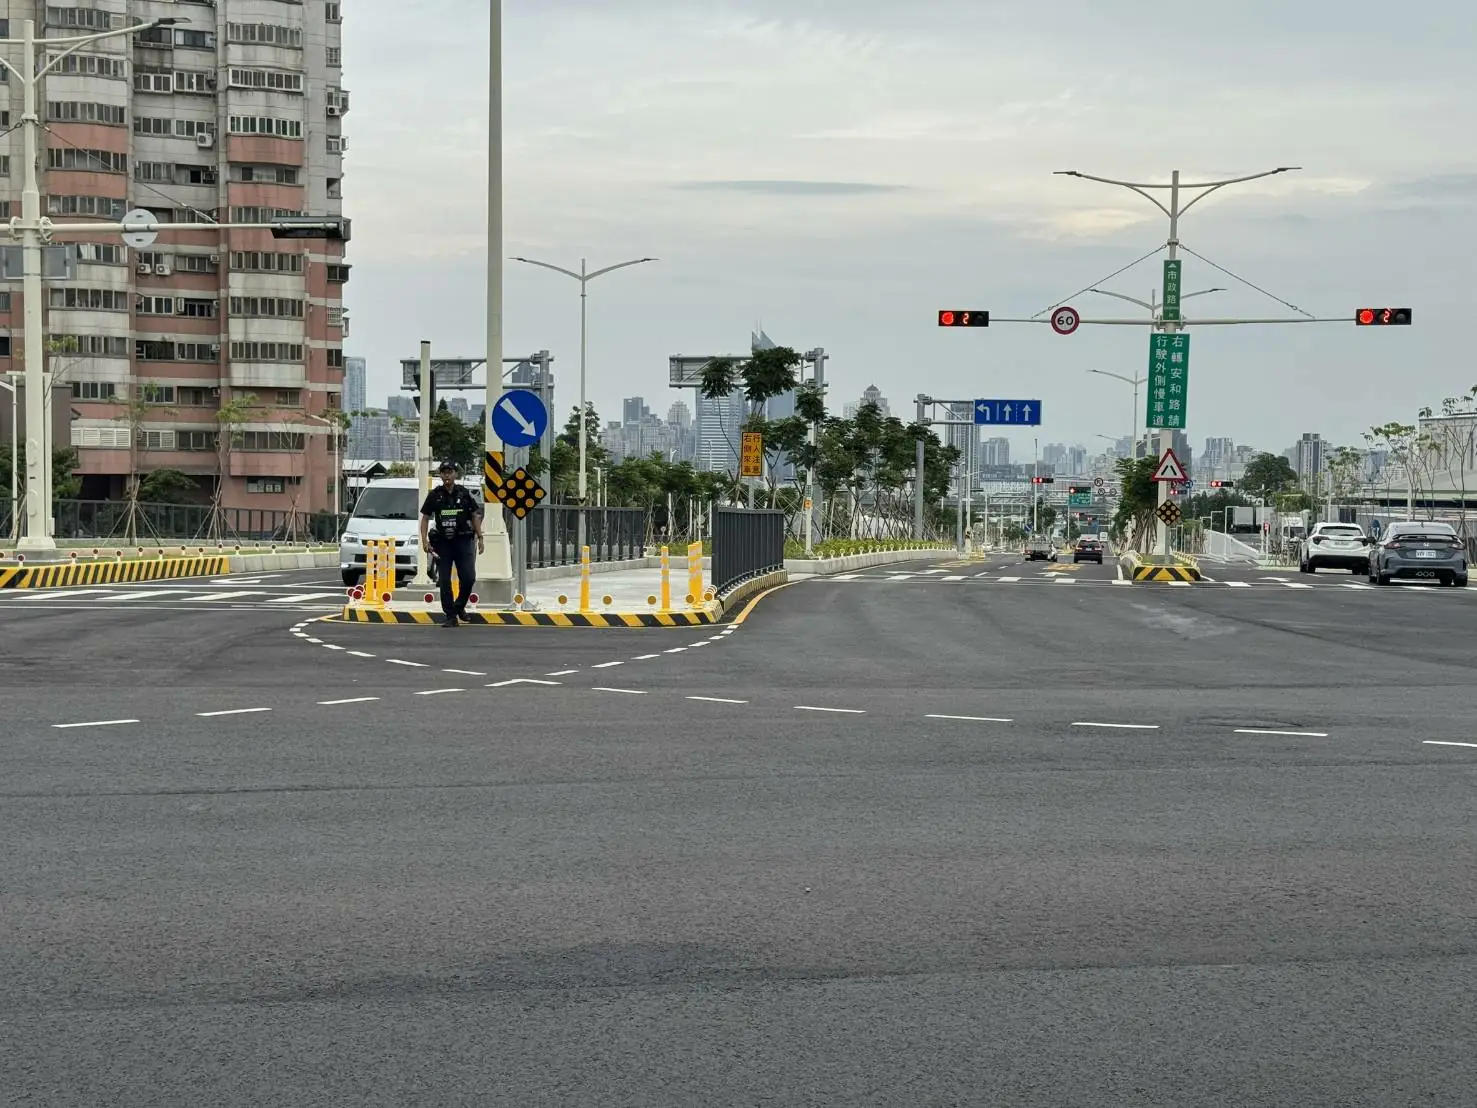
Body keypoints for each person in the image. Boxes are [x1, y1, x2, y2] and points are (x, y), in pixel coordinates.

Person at [419, 462, 484, 626]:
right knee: (445, 581)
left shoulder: (464, 493)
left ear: (456, 474)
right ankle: (450, 616)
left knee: (469, 578)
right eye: (444, 472)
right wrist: (424, 540)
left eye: (450, 472)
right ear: (440, 475)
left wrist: (480, 536)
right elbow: (425, 518)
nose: (447, 475)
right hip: (443, 543)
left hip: (463, 540)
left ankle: (459, 606)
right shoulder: (435, 495)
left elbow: (474, 515)